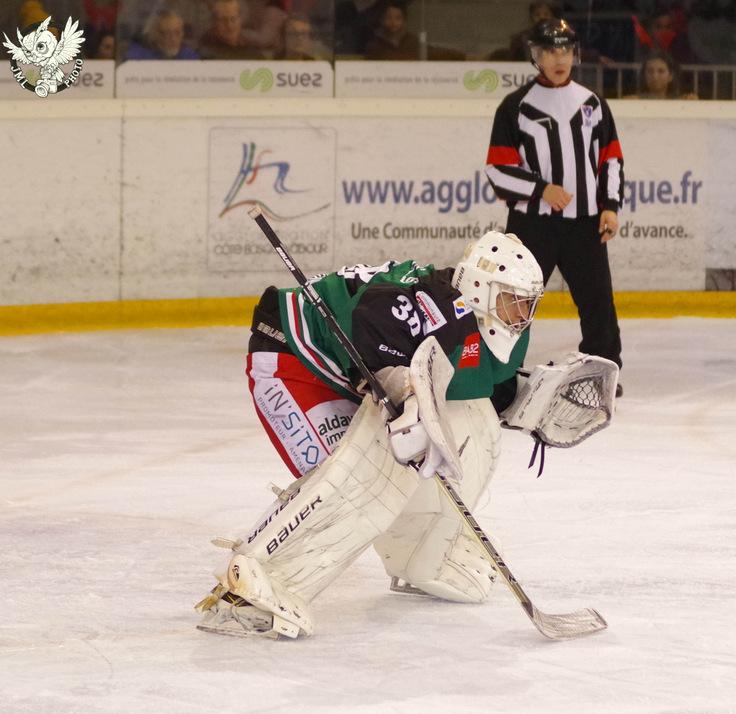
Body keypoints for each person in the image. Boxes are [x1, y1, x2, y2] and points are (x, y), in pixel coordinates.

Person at [194, 231, 612, 639]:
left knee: (472, 425)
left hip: (347, 372)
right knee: (358, 477)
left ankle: (421, 554)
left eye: (527, 303)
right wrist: (403, 387)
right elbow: (370, 319)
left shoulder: (501, 330)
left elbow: (480, 390)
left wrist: (528, 399)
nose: (521, 314)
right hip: (294, 355)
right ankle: (250, 587)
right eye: (512, 300)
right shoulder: (438, 307)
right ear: (480, 289)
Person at [485, 18, 624, 395]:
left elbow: (610, 158)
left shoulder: (592, 103)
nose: (558, 58)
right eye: (549, 50)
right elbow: (497, 169)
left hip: (585, 224)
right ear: (536, 56)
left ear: (574, 54)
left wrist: (610, 206)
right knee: (514, 304)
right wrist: (541, 189)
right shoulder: (516, 106)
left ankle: (603, 374)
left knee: (597, 303)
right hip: (532, 226)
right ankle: (500, 380)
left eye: (564, 50)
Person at [125, 8, 200, 61]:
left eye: (177, 32)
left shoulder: (189, 55)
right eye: (166, 33)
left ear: (183, 33)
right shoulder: (138, 55)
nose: (173, 39)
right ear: (155, 35)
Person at [629, 50, 697, 99]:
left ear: (670, 76)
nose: (655, 76)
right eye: (650, 71)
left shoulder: (682, 102)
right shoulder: (634, 102)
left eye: (661, 71)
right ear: (644, 75)